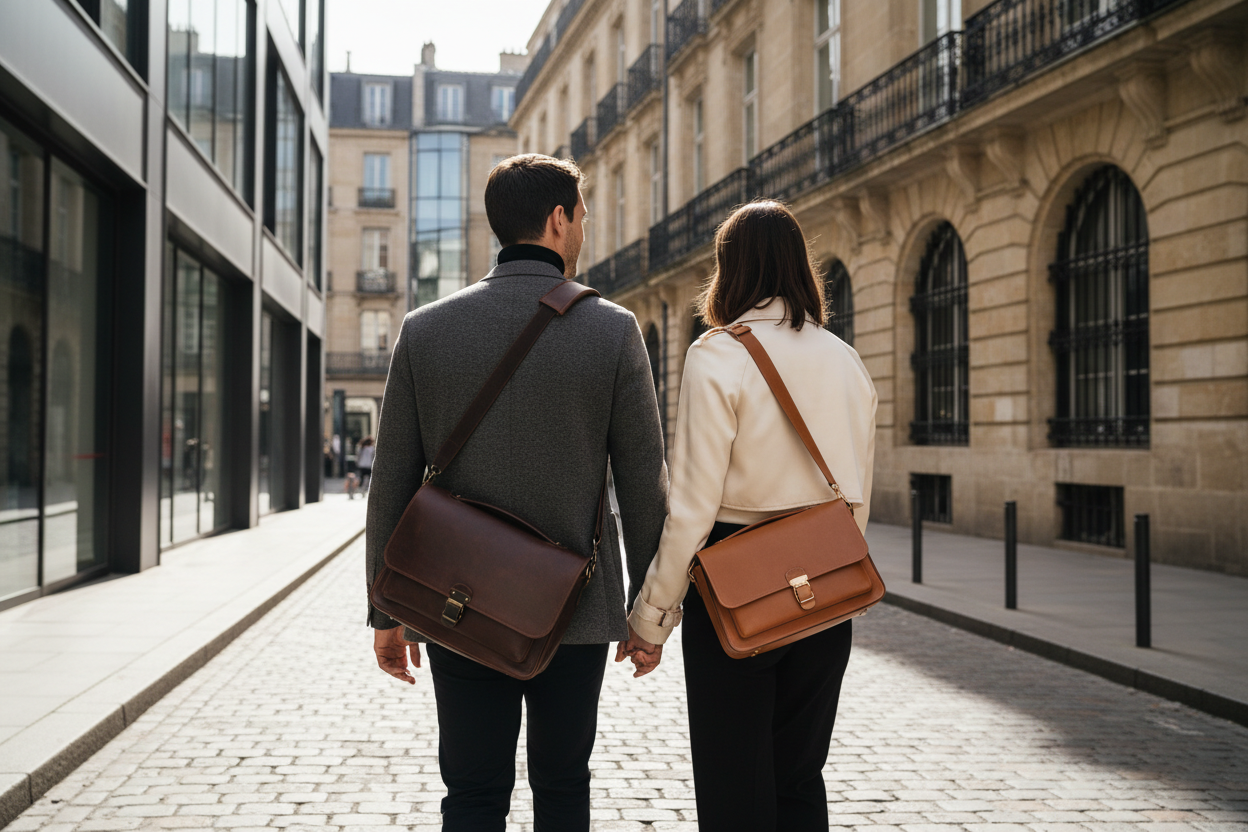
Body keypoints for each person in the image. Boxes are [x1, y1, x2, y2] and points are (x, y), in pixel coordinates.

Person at [365, 154, 669, 832]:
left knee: (471, 794)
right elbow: (646, 486)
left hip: (455, 603)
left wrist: (385, 609)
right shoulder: (613, 330)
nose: (584, 227)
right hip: (576, 609)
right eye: (582, 214)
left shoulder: (424, 329)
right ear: (558, 220)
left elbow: (390, 482)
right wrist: (651, 612)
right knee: (563, 787)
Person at [624, 200, 878, 832]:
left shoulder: (719, 354)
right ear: (800, 267)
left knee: (733, 783)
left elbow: (691, 507)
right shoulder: (846, 360)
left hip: (734, 581)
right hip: (825, 577)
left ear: (728, 270)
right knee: (799, 779)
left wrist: (652, 618)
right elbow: (859, 496)